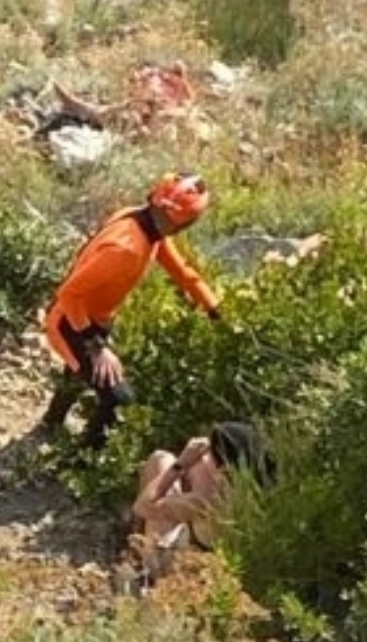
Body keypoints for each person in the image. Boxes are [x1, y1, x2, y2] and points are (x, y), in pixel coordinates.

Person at [40, 171, 222, 449]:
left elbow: (180, 270)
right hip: (70, 320)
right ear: (186, 222)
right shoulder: (125, 248)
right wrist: (96, 347)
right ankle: (81, 460)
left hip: (95, 317)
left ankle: (50, 425)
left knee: (79, 373)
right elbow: (69, 294)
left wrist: (213, 307)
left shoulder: (148, 226)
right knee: (118, 397)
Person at [131, 421, 273, 559]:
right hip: (208, 548)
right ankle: (136, 541)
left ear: (222, 470)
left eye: (208, 453)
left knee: (160, 461)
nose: (203, 456)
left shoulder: (207, 502)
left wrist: (181, 463)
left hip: (175, 565)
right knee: (161, 459)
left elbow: (142, 506)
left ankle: (141, 559)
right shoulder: (253, 496)